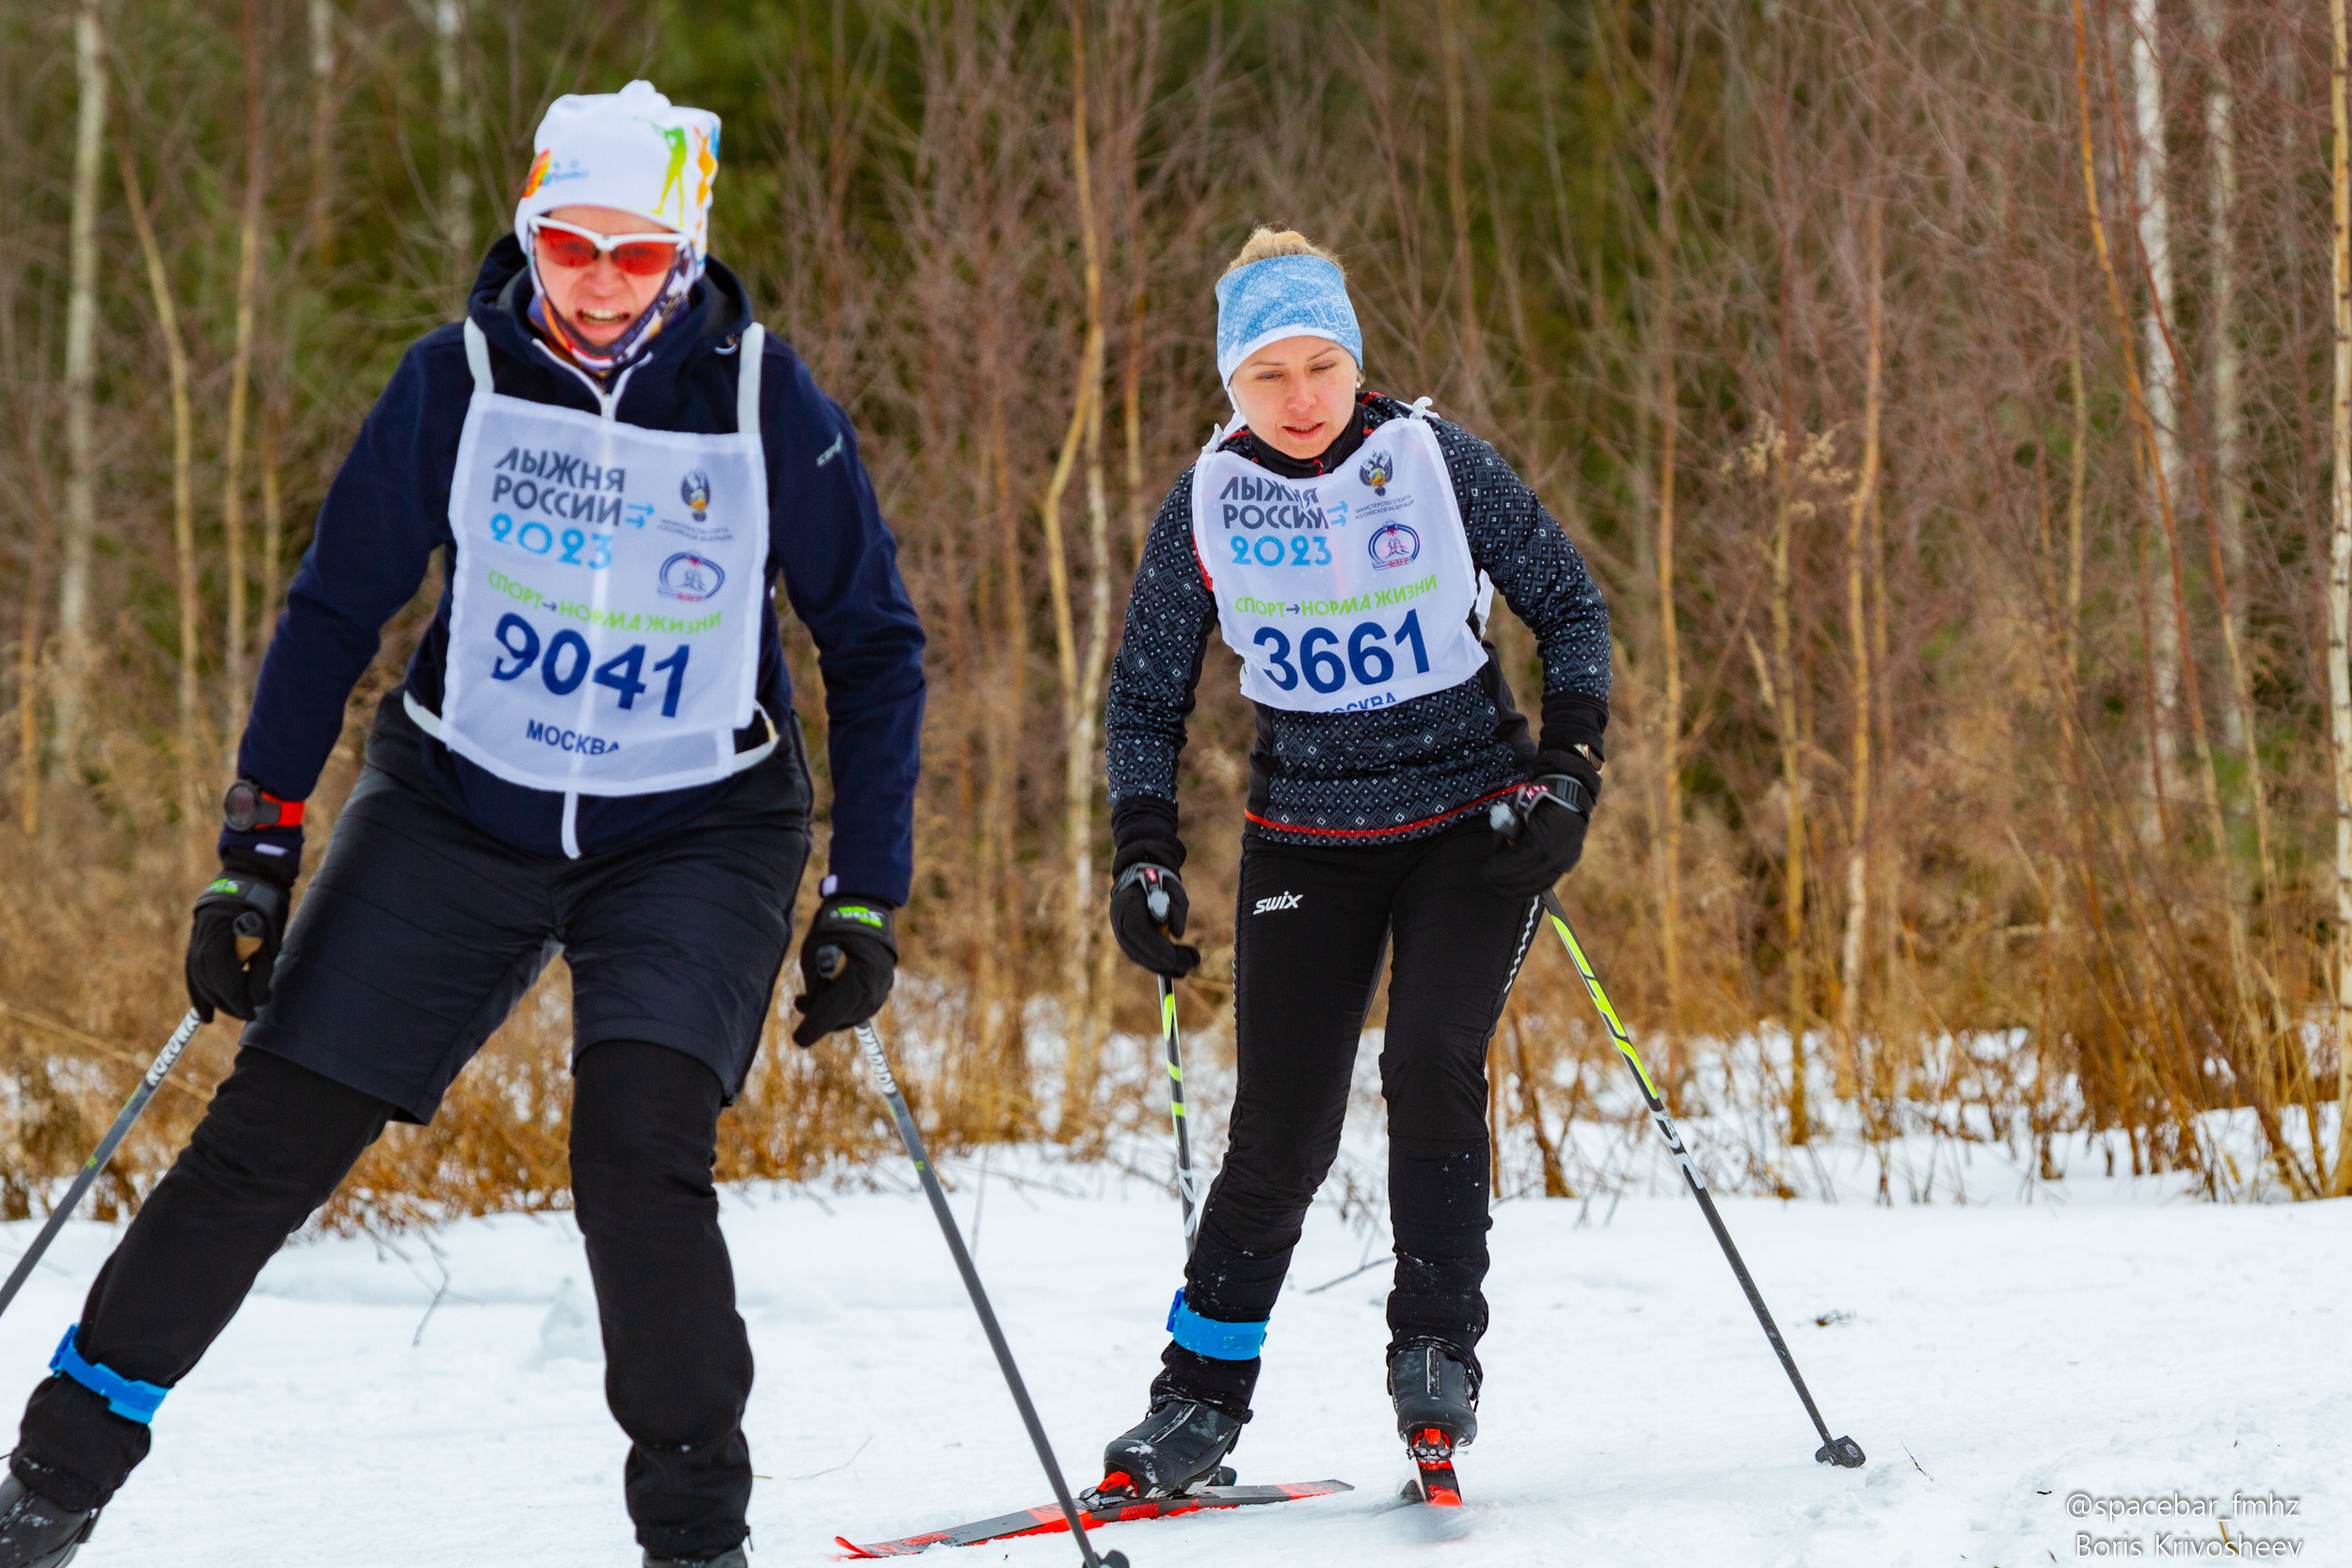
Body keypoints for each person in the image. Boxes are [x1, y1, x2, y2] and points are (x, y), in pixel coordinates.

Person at [0, 81, 924, 1568]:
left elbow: (873, 645)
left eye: (636, 254)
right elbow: (333, 612)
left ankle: (697, 1536)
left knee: (637, 1152)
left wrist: (866, 893)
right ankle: (52, 1478)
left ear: (686, 253)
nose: (598, 285)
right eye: (569, 245)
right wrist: (254, 853)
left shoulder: (765, 402)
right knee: (271, 1133)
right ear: (528, 232)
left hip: (694, 827)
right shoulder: (458, 382)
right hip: (460, 806)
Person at [1096, 228, 1610, 1498]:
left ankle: (1435, 1353)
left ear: (1355, 361)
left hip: (1471, 822)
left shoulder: (1434, 461)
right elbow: (1146, 695)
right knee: (1280, 1128)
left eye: (1320, 365)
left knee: (1429, 1059)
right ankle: (1197, 1402)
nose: (1300, 397)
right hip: (1309, 837)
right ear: (1233, 385)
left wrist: (1568, 773)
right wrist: (1142, 849)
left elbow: (1570, 604)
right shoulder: (1206, 500)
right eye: (1268, 375)